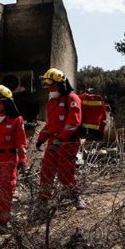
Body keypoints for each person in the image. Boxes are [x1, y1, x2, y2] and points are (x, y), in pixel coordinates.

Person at [36, 68, 86, 209]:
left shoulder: (72, 99)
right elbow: (49, 125)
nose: (50, 89)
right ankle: (43, 200)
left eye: (53, 86)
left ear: (61, 84)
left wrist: (61, 139)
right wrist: (41, 138)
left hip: (68, 142)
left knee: (65, 171)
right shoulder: (52, 102)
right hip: (53, 141)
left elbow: (73, 123)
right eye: (49, 87)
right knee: (47, 170)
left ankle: (75, 197)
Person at [0, 85, 29, 232]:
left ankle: (4, 222)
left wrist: (23, 160)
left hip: (8, 160)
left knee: (6, 191)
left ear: (7, 103)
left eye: (0, 103)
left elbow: (21, 142)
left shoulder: (16, 120)